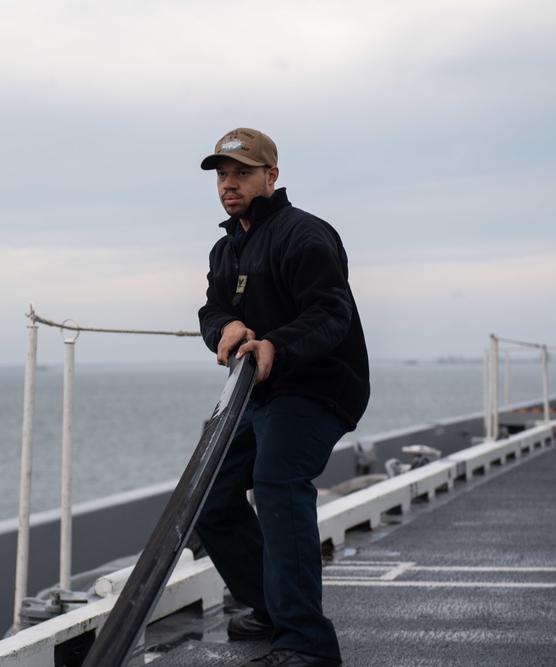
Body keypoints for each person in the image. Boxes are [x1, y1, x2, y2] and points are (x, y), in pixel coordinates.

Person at [195, 128, 370, 667]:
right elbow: (212, 310)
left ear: (271, 176)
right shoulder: (226, 249)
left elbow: (330, 314)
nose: (229, 184)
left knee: (277, 480)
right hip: (260, 394)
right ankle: (272, 606)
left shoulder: (305, 235)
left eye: (242, 173)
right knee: (210, 495)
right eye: (223, 175)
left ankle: (305, 642)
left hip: (318, 385)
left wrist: (276, 343)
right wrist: (225, 326)